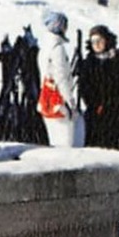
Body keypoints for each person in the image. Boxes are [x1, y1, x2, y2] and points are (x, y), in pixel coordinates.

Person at [76, 24, 119, 152]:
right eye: (93, 41)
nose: (97, 44)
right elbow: (84, 88)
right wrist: (95, 104)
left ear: (107, 40)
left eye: (100, 40)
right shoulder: (89, 63)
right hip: (98, 114)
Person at [37, 9, 79, 147]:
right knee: (65, 142)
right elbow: (61, 77)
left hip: (46, 99)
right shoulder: (57, 49)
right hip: (59, 102)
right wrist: (69, 101)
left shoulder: (44, 48)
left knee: (53, 142)